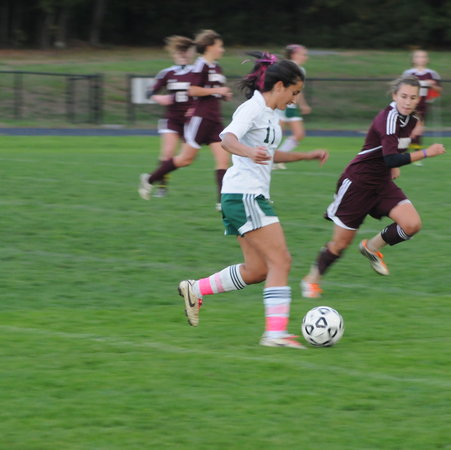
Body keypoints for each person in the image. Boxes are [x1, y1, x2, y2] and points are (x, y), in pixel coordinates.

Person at [177, 52, 329, 349]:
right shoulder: (253, 108)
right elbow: (227, 139)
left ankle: (195, 289)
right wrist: (249, 152)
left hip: (244, 196)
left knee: (257, 270)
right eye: (294, 92)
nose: (295, 99)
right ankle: (275, 334)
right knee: (281, 260)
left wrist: (305, 155)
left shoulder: (271, 114)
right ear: (280, 86)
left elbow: (269, 154)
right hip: (244, 195)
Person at [300, 76, 446, 299]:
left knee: (412, 224)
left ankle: (371, 247)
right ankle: (311, 280)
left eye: (413, 97)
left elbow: (393, 151)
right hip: (358, 184)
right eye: (403, 96)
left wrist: (393, 165)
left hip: (382, 183)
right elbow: (390, 158)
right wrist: (426, 152)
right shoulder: (389, 118)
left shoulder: (412, 119)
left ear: (418, 99)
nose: (408, 101)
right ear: (394, 95)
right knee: (340, 245)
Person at [139, 29, 231, 208]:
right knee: (185, 159)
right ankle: (150, 179)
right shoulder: (201, 65)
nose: (223, 49)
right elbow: (193, 90)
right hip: (200, 119)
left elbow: (212, 91)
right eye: (220, 46)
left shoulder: (217, 67)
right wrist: (217, 90)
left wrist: (223, 94)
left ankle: (222, 203)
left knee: (224, 160)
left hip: (215, 120)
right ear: (210, 47)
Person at [140, 36, 197, 198]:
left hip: (191, 121)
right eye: (179, 52)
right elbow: (150, 92)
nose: (183, 55)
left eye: (186, 52)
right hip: (172, 119)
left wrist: (195, 108)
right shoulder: (167, 73)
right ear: (173, 54)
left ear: (191, 53)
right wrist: (160, 98)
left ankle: (155, 179)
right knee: (167, 154)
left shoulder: (197, 72)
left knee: (186, 159)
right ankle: (162, 187)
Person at [274, 44, 312, 169]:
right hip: (281, 105)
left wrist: (303, 104)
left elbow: (298, 90)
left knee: (299, 134)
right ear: (294, 55)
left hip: (292, 107)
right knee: (276, 135)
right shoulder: (286, 68)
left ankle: (278, 159)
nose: (305, 57)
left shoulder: (301, 70)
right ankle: (269, 158)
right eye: (303, 54)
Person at [402, 49, 443, 152]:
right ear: (413, 59)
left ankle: (417, 152)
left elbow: (439, 89)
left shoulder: (432, 74)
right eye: (418, 57)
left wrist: (431, 85)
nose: (421, 59)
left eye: (423, 57)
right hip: (408, 103)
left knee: (418, 127)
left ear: (427, 59)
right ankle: (402, 150)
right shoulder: (408, 73)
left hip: (423, 104)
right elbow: (402, 88)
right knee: (406, 126)